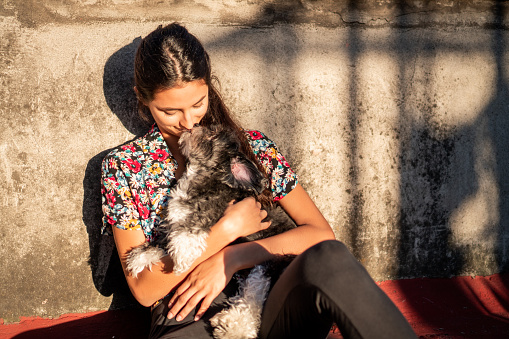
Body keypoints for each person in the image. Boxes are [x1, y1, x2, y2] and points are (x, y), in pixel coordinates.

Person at [101, 23, 416, 339]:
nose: (188, 121)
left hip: (272, 302)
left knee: (331, 259)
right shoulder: (123, 167)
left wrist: (234, 256)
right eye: (170, 111)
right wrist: (226, 230)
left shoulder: (252, 147)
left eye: (198, 103)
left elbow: (320, 236)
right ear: (142, 99)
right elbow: (143, 289)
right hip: (190, 317)